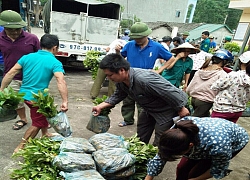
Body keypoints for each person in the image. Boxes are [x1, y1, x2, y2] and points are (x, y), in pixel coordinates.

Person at [92, 53, 189, 146]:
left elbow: (169, 92)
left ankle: (156, 159)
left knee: (161, 141)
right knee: (141, 135)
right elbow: (119, 94)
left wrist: (181, 108)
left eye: (110, 75)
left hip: (167, 110)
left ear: (122, 70)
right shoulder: (120, 81)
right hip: (149, 108)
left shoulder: (144, 79)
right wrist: (101, 106)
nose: (109, 78)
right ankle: (139, 157)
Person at [0, 34, 68, 153]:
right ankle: (21, 146)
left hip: (24, 95)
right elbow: (60, 81)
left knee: (43, 115)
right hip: (37, 98)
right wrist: (65, 101)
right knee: (37, 123)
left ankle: (45, 133)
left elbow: (10, 73)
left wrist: (1, 90)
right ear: (54, 48)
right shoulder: (54, 62)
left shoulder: (27, 57)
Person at [115, 22, 185, 127]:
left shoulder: (156, 46)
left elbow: (171, 58)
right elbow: (120, 58)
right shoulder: (129, 45)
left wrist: (159, 70)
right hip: (129, 78)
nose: (137, 40)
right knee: (128, 101)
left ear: (146, 35)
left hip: (145, 80)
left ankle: (142, 123)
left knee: (143, 104)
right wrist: (117, 52)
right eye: (135, 37)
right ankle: (128, 119)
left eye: (139, 37)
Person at [145, 116, 249, 180]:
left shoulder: (219, 148)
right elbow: (162, 155)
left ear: (190, 146)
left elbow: (217, 169)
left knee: (194, 173)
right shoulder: (180, 128)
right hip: (212, 131)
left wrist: (196, 179)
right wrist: (149, 177)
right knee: (182, 168)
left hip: (235, 139)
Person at [0, 10, 40, 130]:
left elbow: (40, 57)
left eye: (18, 29)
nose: (15, 32)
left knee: (36, 102)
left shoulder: (32, 38)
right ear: (4, 27)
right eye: (11, 29)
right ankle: (23, 119)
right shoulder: (0, 39)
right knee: (17, 101)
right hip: (12, 76)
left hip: (31, 77)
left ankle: (38, 123)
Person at [186, 49, 233, 117]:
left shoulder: (200, 70)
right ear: (224, 62)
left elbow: (190, 87)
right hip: (205, 102)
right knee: (194, 122)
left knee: (205, 117)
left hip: (194, 99)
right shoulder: (222, 74)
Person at [210, 51, 250, 123]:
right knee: (228, 131)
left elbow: (215, 86)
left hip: (222, 109)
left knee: (214, 130)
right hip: (238, 111)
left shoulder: (233, 75)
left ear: (242, 62)